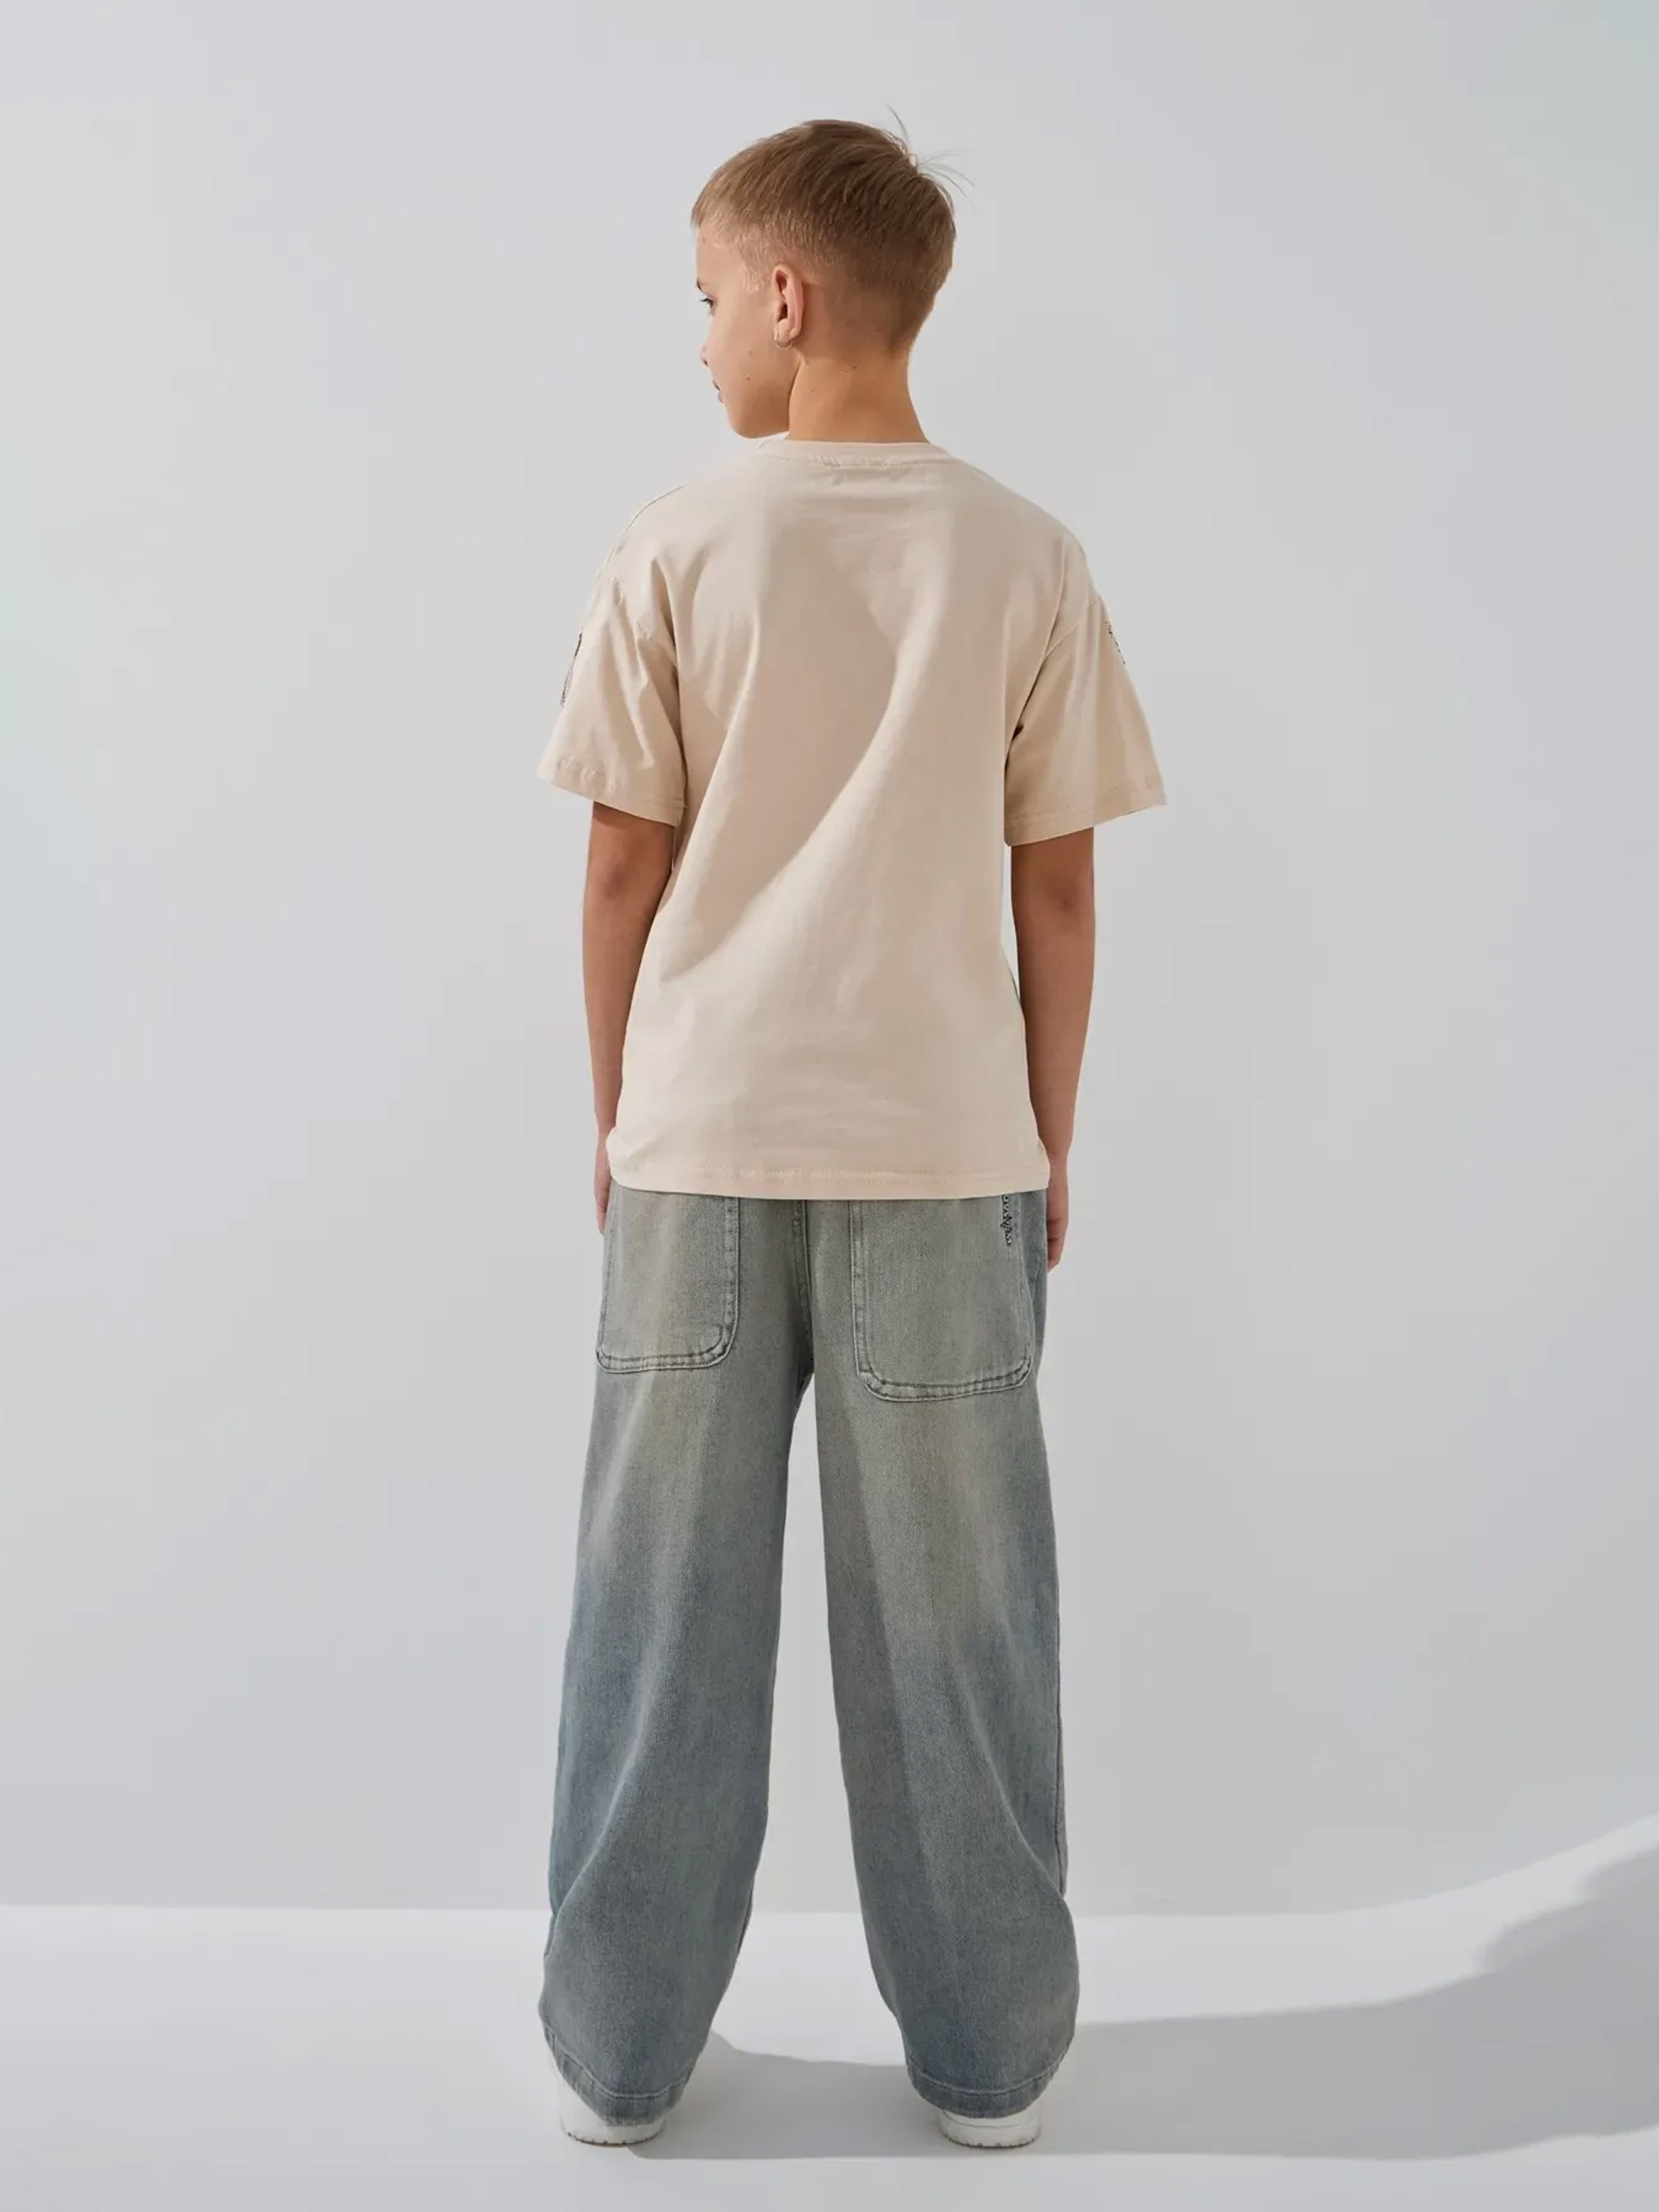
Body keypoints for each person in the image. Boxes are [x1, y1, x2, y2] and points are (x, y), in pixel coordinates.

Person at [533, 115, 1166, 2152]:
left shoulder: (675, 542)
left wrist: (616, 1112)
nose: (702, 335)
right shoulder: (1025, 554)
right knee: (957, 1634)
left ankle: (618, 2057)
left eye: (710, 296)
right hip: (943, 1155)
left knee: (660, 1613)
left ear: (788, 299)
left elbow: (618, 867)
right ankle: (990, 2061)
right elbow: (1055, 892)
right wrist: (1044, 1138)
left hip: (701, 1152)